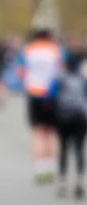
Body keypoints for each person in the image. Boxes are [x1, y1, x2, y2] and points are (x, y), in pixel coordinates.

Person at [16, 29, 66, 183]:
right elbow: (62, 71)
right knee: (51, 131)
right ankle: (51, 166)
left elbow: (20, 72)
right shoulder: (56, 50)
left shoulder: (28, 49)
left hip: (34, 93)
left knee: (38, 131)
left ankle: (40, 167)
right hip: (52, 95)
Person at [53, 51, 87, 198]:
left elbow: (51, 94)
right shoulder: (83, 79)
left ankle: (62, 181)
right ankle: (80, 179)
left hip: (64, 116)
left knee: (63, 147)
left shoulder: (60, 78)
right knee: (79, 148)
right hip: (80, 116)